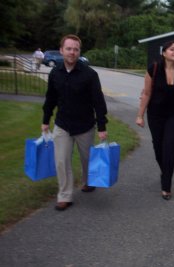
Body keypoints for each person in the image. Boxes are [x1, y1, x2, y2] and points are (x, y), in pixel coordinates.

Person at [42, 34, 108, 211]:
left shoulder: (90, 74)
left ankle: (88, 181)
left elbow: (98, 102)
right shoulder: (55, 73)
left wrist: (102, 126)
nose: (72, 52)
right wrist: (45, 120)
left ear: (79, 52)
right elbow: (50, 98)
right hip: (62, 124)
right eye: (69, 48)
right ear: (62, 50)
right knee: (62, 161)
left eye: (75, 49)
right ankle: (65, 196)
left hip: (85, 126)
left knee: (87, 159)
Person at [136, 40, 174, 200]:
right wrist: (140, 115)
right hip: (155, 114)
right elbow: (146, 94)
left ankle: (166, 185)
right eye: (171, 49)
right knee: (158, 148)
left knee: (170, 146)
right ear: (164, 53)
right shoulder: (153, 69)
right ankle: (165, 171)